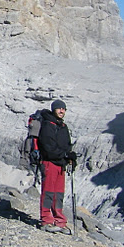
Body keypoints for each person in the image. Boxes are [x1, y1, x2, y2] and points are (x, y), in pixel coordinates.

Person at [37, 99, 76, 234]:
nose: (61, 111)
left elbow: (67, 145)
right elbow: (48, 148)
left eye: (63, 109)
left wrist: (70, 156)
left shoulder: (63, 126)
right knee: (48, 193)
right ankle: (46, 220)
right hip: (50, 163)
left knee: (58, 194)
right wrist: (65, 154)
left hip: (61, 164)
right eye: (59, 108)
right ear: (53, 109)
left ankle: (60, 221)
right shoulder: (48, 125)